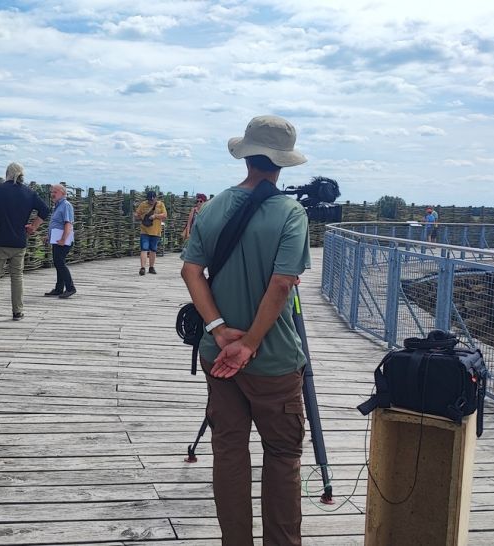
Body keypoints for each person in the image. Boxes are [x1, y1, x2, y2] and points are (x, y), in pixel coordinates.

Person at [180, 115, 311, 545]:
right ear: (282, 163)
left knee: (230, 452)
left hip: (217, 354)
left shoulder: (214, 206)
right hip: (272, 359)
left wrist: (220, 332)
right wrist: (251, 343)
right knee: (283, 455)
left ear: (248, 155)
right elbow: (281, 283)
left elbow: (191, 271)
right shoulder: (290, 212)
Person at [0, 162, 49, 321]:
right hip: (19, 241)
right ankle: (18, 311)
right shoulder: (29, 193)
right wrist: (33, 227)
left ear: (7, 174)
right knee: (17, 276)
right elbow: (45, 210)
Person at [44, 184, 76, 298]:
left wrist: (63, 239)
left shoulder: (66, 205)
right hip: (57, 239)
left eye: (55, 192)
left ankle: (70, 288)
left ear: (63, 193)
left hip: (63, 240)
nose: (52, 194)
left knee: (60, 263)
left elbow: (68, 223)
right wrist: (49, 236)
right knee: (58, 263)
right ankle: (59, 288)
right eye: (52, 192)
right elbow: (57, 224)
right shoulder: (57, 206)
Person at [134, 190, 168, 275]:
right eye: (150, 200)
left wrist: (155, 216)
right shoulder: (143, 205)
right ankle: (142, 268)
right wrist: (143, 216)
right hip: (144, 230)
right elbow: (136, 215)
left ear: (156, 198)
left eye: (153, 199)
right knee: (144, 249)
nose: (151, 201)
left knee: (153, 250)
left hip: (156, 231)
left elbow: (165, 215)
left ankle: (151, 267)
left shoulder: (161, 204)